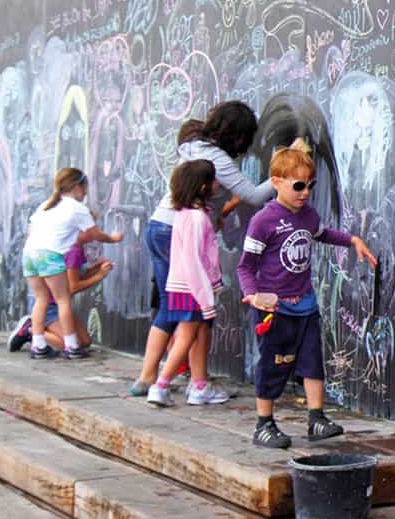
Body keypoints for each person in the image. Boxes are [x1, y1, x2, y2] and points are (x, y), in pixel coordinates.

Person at [237, 144, 378, 449]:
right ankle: (264, 423)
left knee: (313, 363)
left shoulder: (308, 215)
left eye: (310, 186)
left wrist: (352, 239)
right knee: (273, 365)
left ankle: (317, 418)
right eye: (298, 185)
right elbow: (245, 267)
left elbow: (322, 233)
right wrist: (252, 295)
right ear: (276, 182)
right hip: (275, 308)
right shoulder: (263, 221)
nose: (305, 192)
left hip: (305, 305)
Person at [131, 103, 274, 396]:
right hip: (181, 235)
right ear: (237, 136)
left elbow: (220, 199)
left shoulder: (193, 146)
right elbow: (256, 195)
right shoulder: (217, 159)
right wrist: (282, 172)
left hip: (160, 226)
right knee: (195, 310)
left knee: (173, 306)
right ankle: (188, 383)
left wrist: (221, 212)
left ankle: (150, 377)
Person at [146, 160, 227, 407]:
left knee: (193, 333)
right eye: (214, 179)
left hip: (181, 286)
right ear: (204, 187)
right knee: (186, 336)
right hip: (192, 289)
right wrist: (206, 299)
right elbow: (194, 261)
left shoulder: (183, 215)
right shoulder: (197, 219)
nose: (218, 183)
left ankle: (199, 386)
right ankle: (161, 385)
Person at [21, 167, 122, 360]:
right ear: (76, 187)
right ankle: (71, 346)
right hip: (49, 254)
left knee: (41, 298)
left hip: (29, 254)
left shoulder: (46, 205)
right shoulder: (77, 208)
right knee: (63, 300)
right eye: (84, 189)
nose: (85, 193)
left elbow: (31, 230)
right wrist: (113, 238)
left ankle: (38, 345)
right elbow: (94, 234)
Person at [8, 242, 113, 353]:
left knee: (85, 342)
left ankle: (40, 328)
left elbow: (75, 277)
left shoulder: (77, 249)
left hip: (61, 307)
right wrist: (99, 276)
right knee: (72, 344)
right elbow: (72, 287)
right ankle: (30, 330)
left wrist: (96, 268)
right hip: (49, 308)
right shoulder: (73, 251)